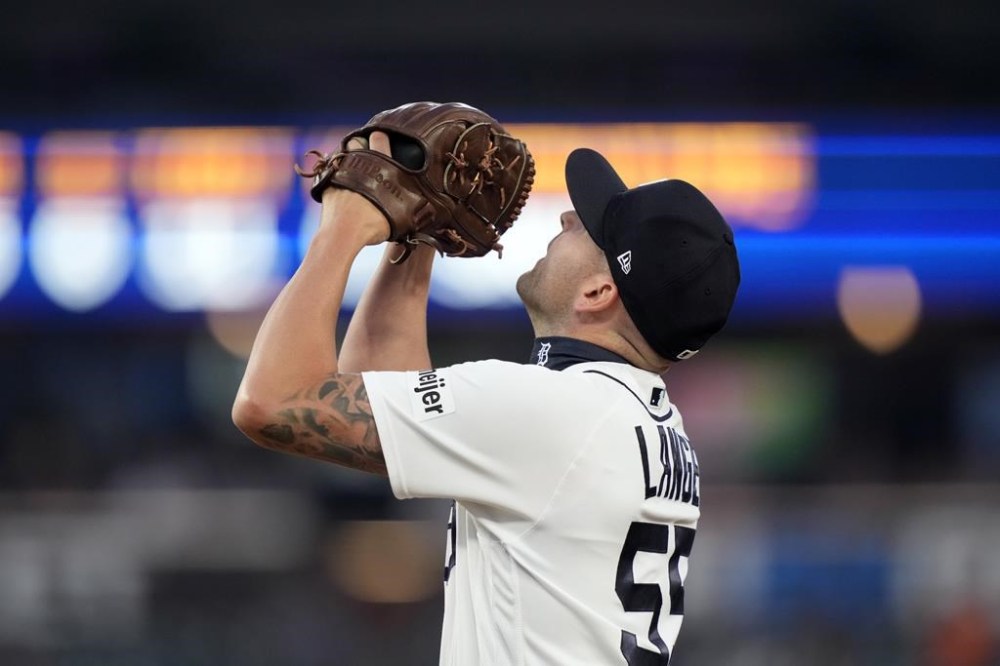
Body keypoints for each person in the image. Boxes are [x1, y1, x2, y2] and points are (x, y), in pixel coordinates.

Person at [232, 130, 740, 665]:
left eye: (590, 227)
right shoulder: (637, 418)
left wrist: (340, 229)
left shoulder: (554, 410)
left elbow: (271, 401)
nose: (568, 219)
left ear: (598, 292)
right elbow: (384, 392)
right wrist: (418, 239)